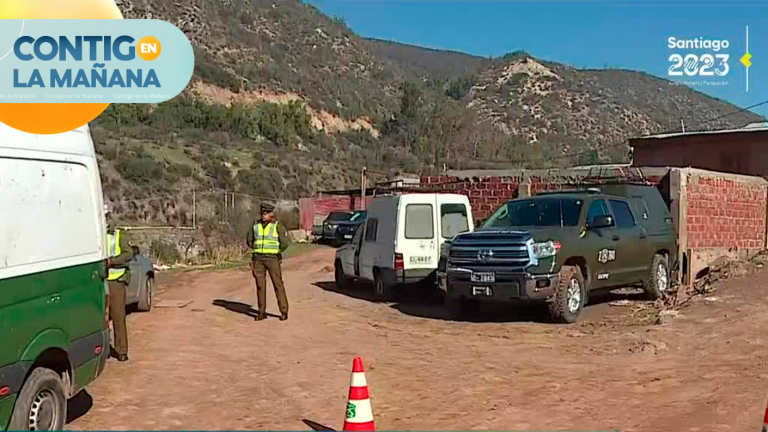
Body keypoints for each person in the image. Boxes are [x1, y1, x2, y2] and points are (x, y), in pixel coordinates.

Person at [246, 203, 291, 321]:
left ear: (271, 214)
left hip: (272, 258)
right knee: (260, 286)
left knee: (278, 284)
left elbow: (285, 243)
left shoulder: (277, 226)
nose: (263, 215)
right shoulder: (255, 225)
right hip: (258, 259)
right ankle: (261, 312)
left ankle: (284, 311)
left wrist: (277, 251)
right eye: (262, 213)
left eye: (266, 213)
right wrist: (256, 248)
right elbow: (249, 240)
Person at [106, 213, 133, 362]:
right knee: (101, 319)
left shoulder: (118, 235)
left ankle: (121, 350)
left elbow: (128, 254)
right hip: (99, 280)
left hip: (116, 281)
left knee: (118, 316)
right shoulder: (95, 235)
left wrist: (112, 261)